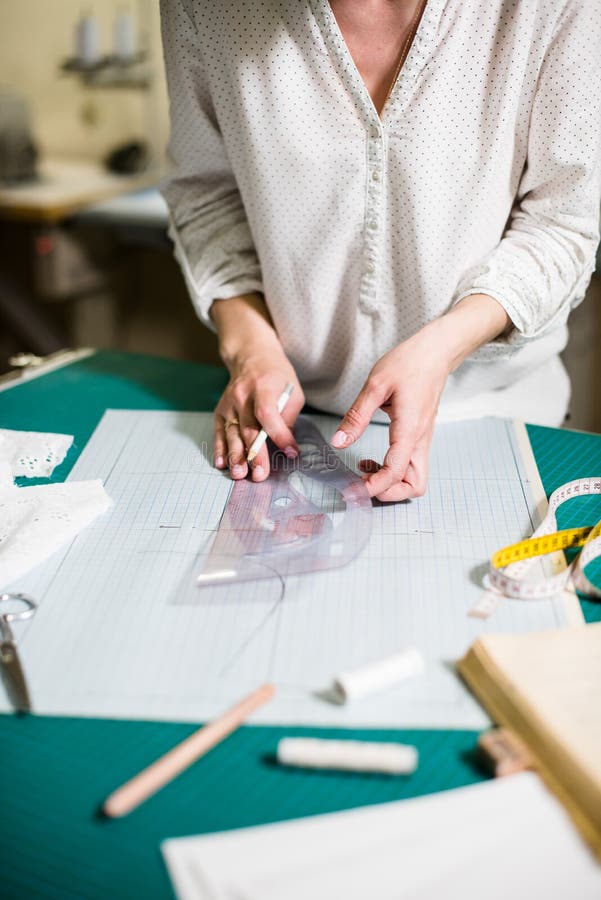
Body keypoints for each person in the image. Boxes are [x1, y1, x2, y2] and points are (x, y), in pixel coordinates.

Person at [160, 0, 601, 501]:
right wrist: (250, 347)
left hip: (502, 412)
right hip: (293, 422)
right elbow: (206, 194)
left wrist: (440, 350)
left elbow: (561, 222)